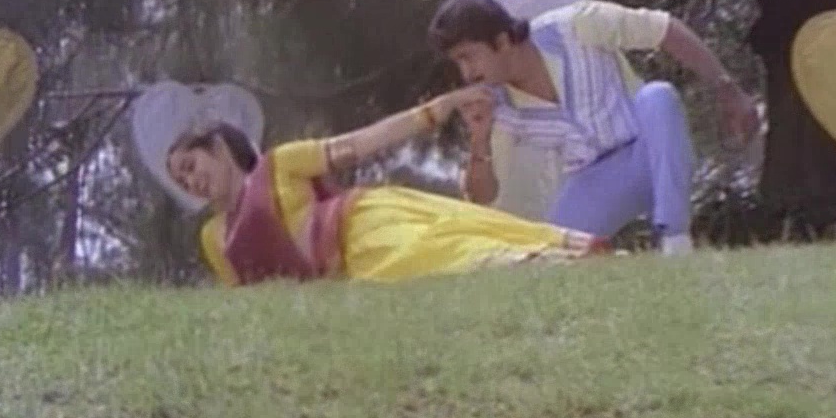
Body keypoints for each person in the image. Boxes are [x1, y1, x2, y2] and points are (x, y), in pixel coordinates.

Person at [162, 84, 618, 288]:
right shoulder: (213, 238)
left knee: (443, 251)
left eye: (190, 165)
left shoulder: (281, 164)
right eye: (181, 180)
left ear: (217, 147)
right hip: (347, 278)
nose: (190, 181)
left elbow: (365, 142)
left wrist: (440, 107)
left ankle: (568, 261)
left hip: (365, 226)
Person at [427, 0, 762, 255]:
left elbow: (663, 30)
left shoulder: (575, 25)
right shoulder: (496, 106)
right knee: (554, 254)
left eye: (468, 57)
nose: (466, 73)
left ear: (501, 42)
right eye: (458, 62)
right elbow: (484, 197)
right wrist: (480, 138)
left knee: (658, 96)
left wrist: (728, 90)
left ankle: (676, 241)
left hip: (652, 149)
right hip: (594, 180)